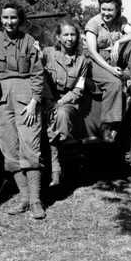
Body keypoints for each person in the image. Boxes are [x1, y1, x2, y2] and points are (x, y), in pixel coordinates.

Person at [0, 3, 46, 219]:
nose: (9, 22)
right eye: (5, 18)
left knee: (30, 146)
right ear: (0, 19)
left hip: (25, 95)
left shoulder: (28, 41)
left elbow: (38, 73)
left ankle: (36, 201)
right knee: (9, 148)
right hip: (0, 97)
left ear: (20, 19)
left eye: (13, 18)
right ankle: (24, 198)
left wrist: (35, 100)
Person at [84, 0, 131, 142]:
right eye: (103, 9)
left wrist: (119, 42)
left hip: (115, 57)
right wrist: (110, 69)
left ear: (117, 10)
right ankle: (108, 125)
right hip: (97, 61)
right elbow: (92, 52)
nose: (106, 13)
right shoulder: (93, 23)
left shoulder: (121, 21)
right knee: (114, 83)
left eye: (110, 10)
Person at [42, 20, 89, 186]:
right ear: (58, 37)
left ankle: (57, 167)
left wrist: (60, 102)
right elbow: (37, 74)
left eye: (73, 34)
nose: (69, 38)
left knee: (60, 116)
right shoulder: (47, 53)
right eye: (66, 35)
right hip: (45, 98)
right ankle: (54, 168)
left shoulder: (82, 61)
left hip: (67, 101)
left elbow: (78, 89)